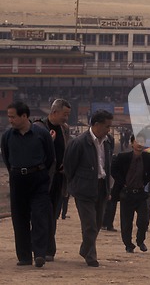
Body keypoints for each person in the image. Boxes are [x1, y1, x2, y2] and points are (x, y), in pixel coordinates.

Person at [1, 101, 55, 267]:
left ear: (24, 116)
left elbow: (50, 157)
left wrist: (39, 171)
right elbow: (6, 157)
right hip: (18, 179)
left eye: (13, 116)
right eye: (9, 116)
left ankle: (39, 254)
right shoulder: (8, 136)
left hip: (38, 179)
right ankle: (24, 257)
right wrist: (16, 172)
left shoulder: (41, 133)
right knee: (19, 218)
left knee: (39, 217)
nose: (10, 120)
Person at [64, 109, 114, 267]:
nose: (108, 129)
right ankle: (91, 255)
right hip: (84, 188)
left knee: (98, 223)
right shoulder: (79, 143)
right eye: (107, 126)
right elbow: (69, 166)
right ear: (97, 125)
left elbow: (108, 165)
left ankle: (85, 248)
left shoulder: (108, 141)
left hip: (101, 186)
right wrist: (75, 185)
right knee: (89, 224)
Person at [33, 98, 72, 262]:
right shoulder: (38, 128)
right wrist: (50, 141)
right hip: (42, 179)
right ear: (54, 112)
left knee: (53, 214)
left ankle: (48, 249)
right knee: (41, 214)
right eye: (65, 114)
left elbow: (67, 149)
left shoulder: (64, 129)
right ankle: (42, 249)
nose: (66, 118)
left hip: (59, 179)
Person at [110, 133, 150, 253]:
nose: (139, 144)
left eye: (142, 141)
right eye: (137, 141)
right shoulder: (123, 157)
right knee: (126, 222)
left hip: (140, 193)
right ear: (132, 143)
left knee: (143, 220)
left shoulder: (148, 158)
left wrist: (145, 182)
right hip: (127, 193)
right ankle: (128, 244)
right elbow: (113, 170)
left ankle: (140, 240)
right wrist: (122, 182)